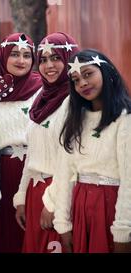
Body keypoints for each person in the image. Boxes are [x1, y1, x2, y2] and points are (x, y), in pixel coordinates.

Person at [52, 49, 131, 253]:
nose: (82, 84)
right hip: (80, 206)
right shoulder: (76, 120)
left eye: (88, 74)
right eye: (76, 80)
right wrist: (63, 223)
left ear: (106, 71)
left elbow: (129, 180)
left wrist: (123, 231)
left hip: (111, 207)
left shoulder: (125, 119)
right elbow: (63, 173)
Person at [13, 32, 79, 253]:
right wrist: (21, 196)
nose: (49, 65)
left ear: (70, 59)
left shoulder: (75, 101)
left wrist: (53, 204)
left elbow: (71, 160)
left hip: (59, 194)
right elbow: (32, 152)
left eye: (56, 58)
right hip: (35, 191)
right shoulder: (41, 96)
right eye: (43, 59)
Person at [0, 33, 42, 252]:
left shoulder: (43, 89)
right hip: (1, 171)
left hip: (34, 169)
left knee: (33, 232)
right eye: (14, 55)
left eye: (26, 55)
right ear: (3, 57)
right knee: (4, 234)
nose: (21, 61)